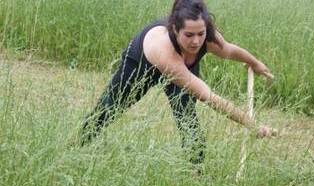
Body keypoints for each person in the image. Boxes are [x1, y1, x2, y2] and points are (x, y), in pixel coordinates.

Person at [80, 0, 274, 165]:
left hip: (181, 67)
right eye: (189, 35)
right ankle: (78, 147)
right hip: (141, 63)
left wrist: (254, 62)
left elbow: (229, 50)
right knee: (109, 108)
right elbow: (210, 97)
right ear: (174, 28)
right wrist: (253, 125)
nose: (196, 42)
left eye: (201, 33)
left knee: (188, 121)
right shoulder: (165, 51)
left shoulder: (207, 36)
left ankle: (195, 173)